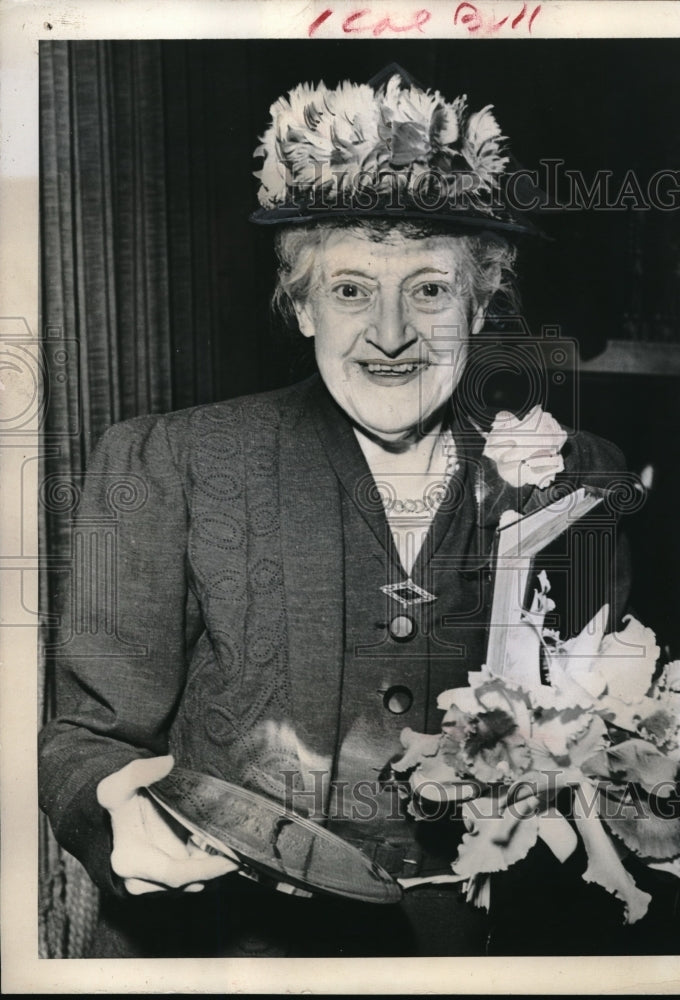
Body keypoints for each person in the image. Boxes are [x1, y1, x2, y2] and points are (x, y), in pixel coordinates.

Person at [38, 68, 631, 957]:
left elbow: (593, 726)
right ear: (302, 304)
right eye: (351, 289)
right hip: (224, 945)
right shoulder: (170, 463)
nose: (388, 333)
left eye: (429, 291)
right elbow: (85, 737)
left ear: (479, 302)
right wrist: (104, 809)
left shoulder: (573, 480)